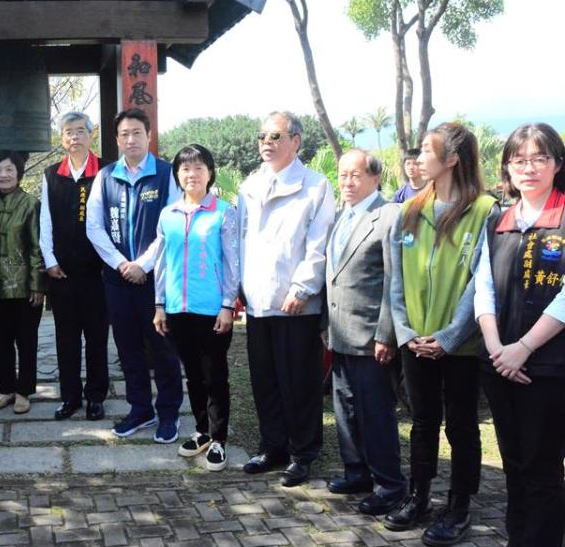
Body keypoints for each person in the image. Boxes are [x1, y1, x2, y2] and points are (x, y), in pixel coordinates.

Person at [385, 122, 498, 546]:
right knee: (423, 421)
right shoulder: (409, 209)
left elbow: (480, 283)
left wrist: (449, 337)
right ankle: (419, 496)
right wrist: (406, 331)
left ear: (451, 159)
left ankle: (459, 504)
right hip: (415, 340)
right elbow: (396, 280)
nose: (419, 159)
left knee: (463, 427)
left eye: (428, 152)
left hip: (462, 346)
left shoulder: (486, 210)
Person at [473, 123, 565, 547]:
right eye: (519, 159)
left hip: (548, 366)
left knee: (542, 464)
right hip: (500, 361)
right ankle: (516, 542)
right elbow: (482, 287)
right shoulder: (499, 219)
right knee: (512, 458)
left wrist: (523, 348)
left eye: (539, 158)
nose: (528, 167)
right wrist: (496, 348)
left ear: (557, 164)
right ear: (507, 166)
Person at [238, 110, 335, 487]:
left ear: (296, 141)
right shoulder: (250, 184)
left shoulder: (316, 186)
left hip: (296, 303)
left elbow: (319, 243)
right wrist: (239, 288)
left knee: (299, 381)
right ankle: (272, 445)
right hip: (259, 300)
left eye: (276, 136)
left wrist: (303, 287)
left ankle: (303, 451)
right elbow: (242, 240)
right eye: (262, 136)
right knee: (265, 379)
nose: (267, 142)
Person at [85, 108, 183, 443]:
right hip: (117, 280)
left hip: (156, 280)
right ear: (116, 139)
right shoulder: (106, 176)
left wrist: (143, 264)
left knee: (163, 348)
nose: (131, 139)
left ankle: (169, 413)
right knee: (128, 348)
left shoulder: (167, 174)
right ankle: (140, 408)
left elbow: (171, 226)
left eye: (137, 133)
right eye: (124, 134)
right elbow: (94, 227)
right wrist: (121, 265)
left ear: (149, 135)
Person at [323, 150, 406, 514]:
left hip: (373, 336)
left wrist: (386, 335)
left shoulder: (389, 216)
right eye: (342, 176)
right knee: (346, 409)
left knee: (376, 413)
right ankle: (356, 472)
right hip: (341, 332)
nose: (347, 183)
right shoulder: (342, 216)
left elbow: (395, 281)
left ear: (375, 178)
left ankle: (389, 484)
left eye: (356, 175)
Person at [152, 144, 239, 471]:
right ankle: (201, 431)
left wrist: (228, 305)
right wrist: (159, 304)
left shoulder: (222, 212)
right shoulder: (168, 215)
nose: (192, 174)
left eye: (199, 167)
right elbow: (161, 263)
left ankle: (218, 439)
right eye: (186, 168)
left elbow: (232, 262)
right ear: (178, 175)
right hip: (177, 308)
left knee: (215, 376)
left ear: (210, 173)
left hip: (212, 310)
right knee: (192, 376)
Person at [40, 112, 110, 421]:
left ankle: (96, 396)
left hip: (98, 272)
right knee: (66, 338)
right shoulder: (51, 174)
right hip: (63, 272)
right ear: (62, 138)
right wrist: (50, 261)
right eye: (68, 132)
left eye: (80, 131)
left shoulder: (107, 170)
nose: (75, 137)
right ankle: (70, 396)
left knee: (96, 337)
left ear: (91, 135)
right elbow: (45, 222)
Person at [0, 151, 46, 414]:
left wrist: (37, 284)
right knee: (0, 339)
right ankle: (6, 388)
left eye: (9, 169)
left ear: (18, 173)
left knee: (26, 340)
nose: (3, 175)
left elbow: (37, 246)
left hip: (23, 284)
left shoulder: (31, 204)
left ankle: (24, 391)